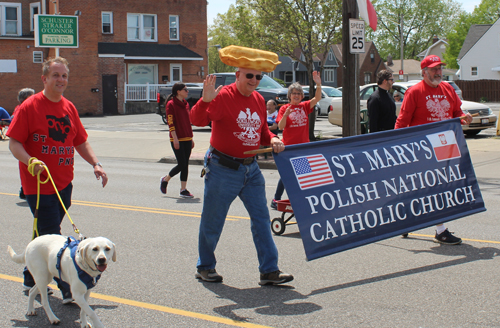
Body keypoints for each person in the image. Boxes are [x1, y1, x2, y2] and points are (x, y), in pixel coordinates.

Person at [6, 57, 108, 303]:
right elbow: (14, 142)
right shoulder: (29, 107)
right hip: (39, 186)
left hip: (64, 182)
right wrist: (30, 161)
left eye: (64, 76)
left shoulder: (69, 108)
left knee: (45, 234)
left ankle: (30, 275)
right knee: (54, 235)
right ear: (44, 78)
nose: (60, 80)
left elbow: (80, 141)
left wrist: (95, 163)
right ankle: (68, 288)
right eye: (56, 75)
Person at [190, 49, 293, 285]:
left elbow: (262, 131)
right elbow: (196, 120)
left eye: (258, 77)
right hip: (222, 168)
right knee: (213, 221)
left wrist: (273, 139)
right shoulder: (223, 96)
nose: (254, 81)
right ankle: (205, 266)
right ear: (238, 74)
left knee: (261, 219)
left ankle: (269, 270)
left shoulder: (258, 100)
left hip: (251, 170)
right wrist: (205, 100)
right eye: (249, 76)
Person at [395, 55, 473, 245]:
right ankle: (440, 230)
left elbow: (456, 113)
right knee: (435, 188)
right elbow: (402, 122)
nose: (438, 72)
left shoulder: (447, 88)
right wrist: (397, 147)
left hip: (446, 145)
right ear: (424, 72)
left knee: (440, 186)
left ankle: (407, 219)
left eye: (439, 68)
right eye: (434, 69)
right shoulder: (414, 92)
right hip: (424, 148)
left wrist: (464, 117)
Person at [270, 73, 322, 209]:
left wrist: (318, 84)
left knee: (303, 174)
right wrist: (286, 115)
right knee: (287, 175)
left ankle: (301, 198)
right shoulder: (283, 108)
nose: (296, 95)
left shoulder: (304, 106)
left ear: (302, 96)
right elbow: (280, 126)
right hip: (288, 148)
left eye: (299, 93)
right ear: (289, 95)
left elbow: (317, 98)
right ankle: (276, 199)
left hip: (302, 148)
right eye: (294, 93)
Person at [160, 82, 195, 198]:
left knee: (186, 165)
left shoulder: (185, 104)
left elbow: (188, 122)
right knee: (181, 164)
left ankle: (183, 189)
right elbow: (171, 123)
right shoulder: (171, 104)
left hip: (187, 138)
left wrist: (192, 137)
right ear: (178, 91)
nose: (187, 91)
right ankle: (165, 179)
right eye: (185, 89)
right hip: (177, 138)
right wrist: (175, 138)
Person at [13, 88, 36, 200]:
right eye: (32, 96)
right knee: (29, 167)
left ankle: (24, 191)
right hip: (25, 145)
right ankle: (25, 191)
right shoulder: (22, 110)